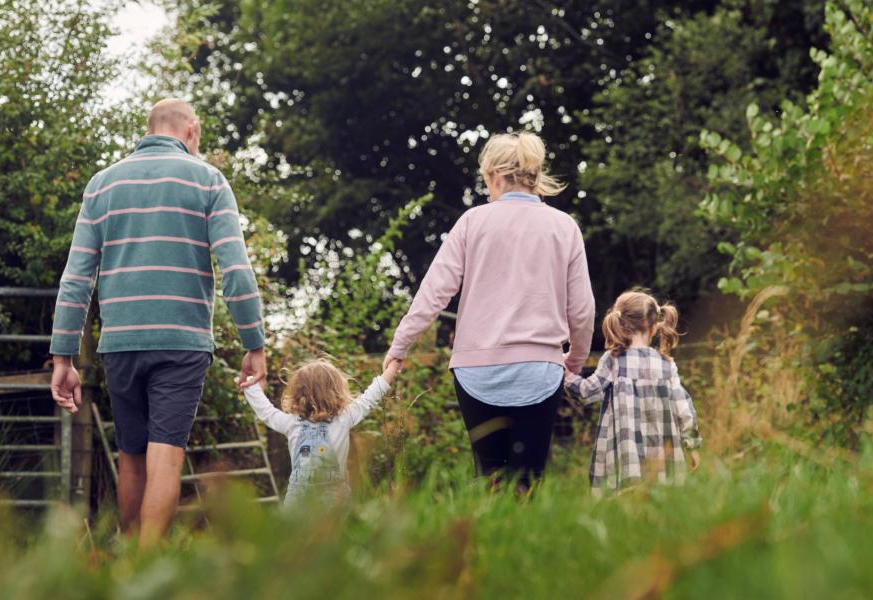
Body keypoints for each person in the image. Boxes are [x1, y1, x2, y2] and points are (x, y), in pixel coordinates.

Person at [49, 99, 266, 546]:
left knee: (131, 458)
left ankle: (129, 568)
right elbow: (237, 270)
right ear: (193, 131)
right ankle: (149, 570)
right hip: (181, 341)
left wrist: (62, 356)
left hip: (120, 342)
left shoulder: (101, 185)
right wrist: (254, 342)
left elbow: (75, 279)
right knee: (164, 460)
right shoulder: (208, 179)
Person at [383, 132, 596, 490]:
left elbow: (433, 293)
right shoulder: (564, 227)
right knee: (528, 481)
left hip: (475, 374)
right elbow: (582, 310)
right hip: (540, 372)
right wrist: (574, 361)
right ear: (534, 175)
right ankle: (525, 542)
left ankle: (489, 542)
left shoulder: (472, 222)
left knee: (490, 479)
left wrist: (399, 346)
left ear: (494, 175)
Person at [564, 289, 701, 492]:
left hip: (625, 455)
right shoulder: (666, 364)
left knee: (625, 505)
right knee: (660, 501)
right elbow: (683, 408)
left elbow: (587, 392)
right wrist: (692, 446)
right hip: (662, 453)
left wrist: (567, 376)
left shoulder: (613, 359)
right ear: (655, 327)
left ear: (621, 324)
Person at [242, 358, 400, 506]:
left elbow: (265, 410)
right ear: (337, 391)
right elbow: (370, 397)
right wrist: (392, 367)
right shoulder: (343, 420)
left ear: (297, 394)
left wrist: (250, 380)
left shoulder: (291, 424)